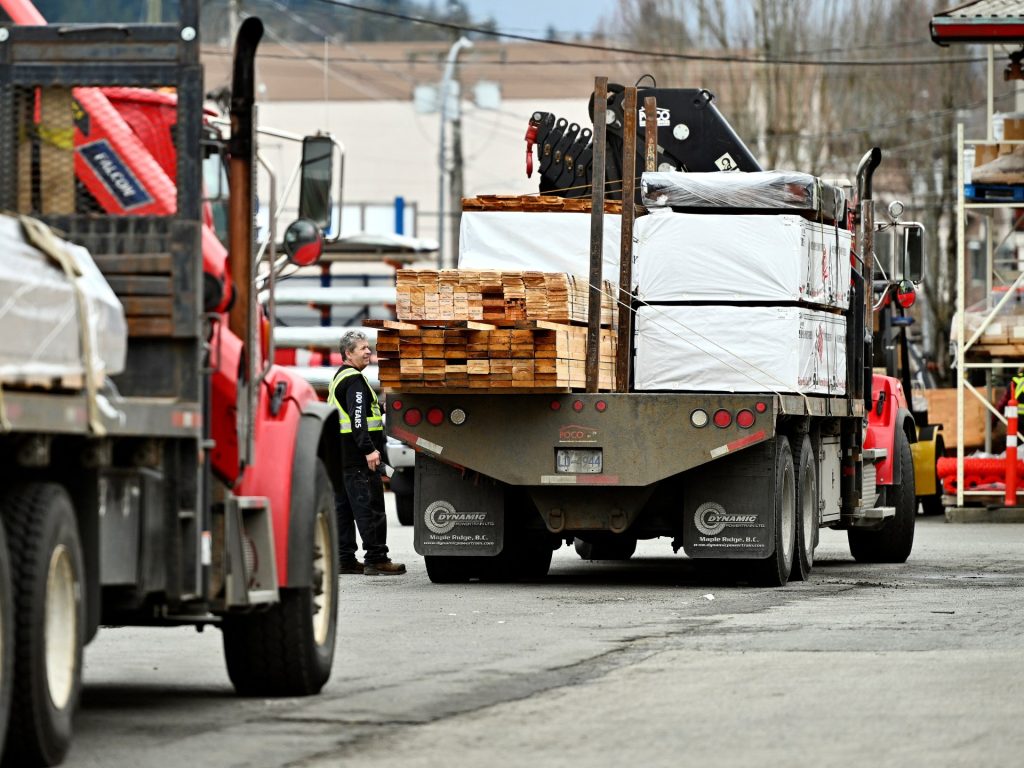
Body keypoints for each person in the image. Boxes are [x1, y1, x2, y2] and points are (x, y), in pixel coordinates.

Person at [327, 330, 406, 576]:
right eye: (363, 348)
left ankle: (345, 559)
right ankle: (377, 558)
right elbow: (358, 419)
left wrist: (381, 406)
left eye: (368, 347)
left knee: (344, 509)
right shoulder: (355, 381)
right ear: (348, 353)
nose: (368, 351)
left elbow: (357, 410)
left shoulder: (340, 378)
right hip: (358, 458)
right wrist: (369, 450)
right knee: (369, 507)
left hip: (340, 457)